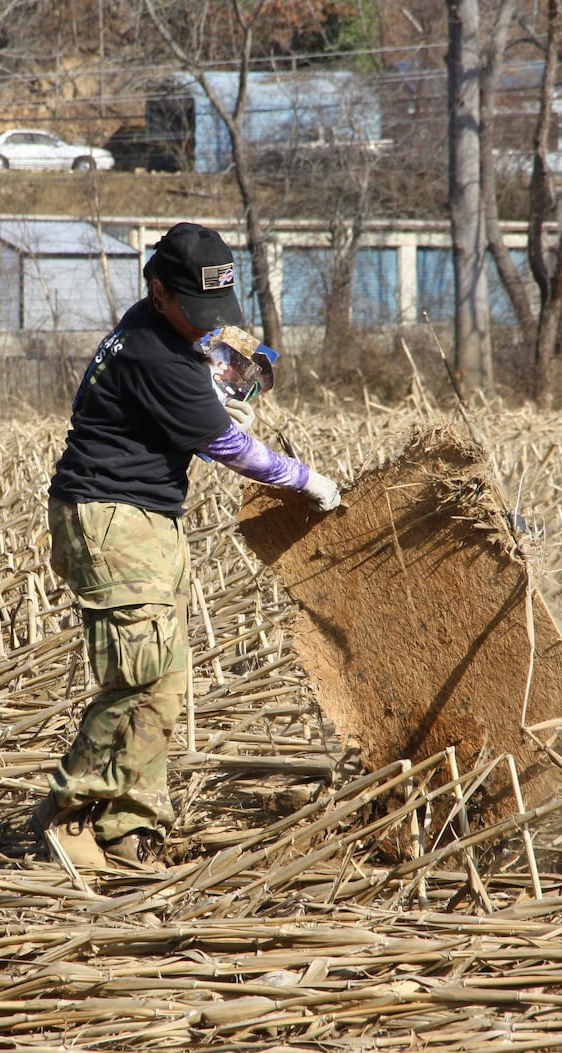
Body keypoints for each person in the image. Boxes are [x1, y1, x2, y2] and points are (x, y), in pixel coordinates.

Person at [34, 221, 342, 869]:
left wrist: (230, 378)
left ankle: (129, 828)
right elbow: (231, 449)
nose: (207, 325)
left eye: (214, 311)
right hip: (109, 520)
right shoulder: (153, 354)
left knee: (166, 681)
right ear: (158, 291)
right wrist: (308, 480)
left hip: (149, 517)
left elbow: (228, 379)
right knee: (137, 674)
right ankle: (65, 817)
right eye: (194, 312)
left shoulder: (159, 325)